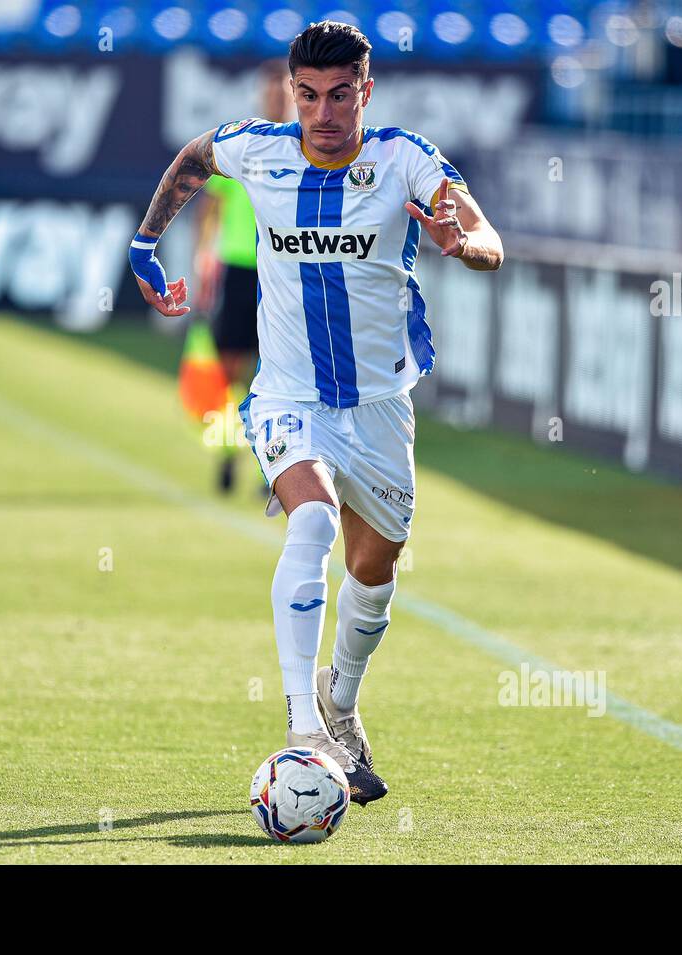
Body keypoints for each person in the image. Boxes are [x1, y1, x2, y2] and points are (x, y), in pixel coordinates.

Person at [128, 22, 503, 804]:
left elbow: (486, 235)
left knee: (377, 569)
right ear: (291, 90)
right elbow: (193, 159)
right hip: (288, 395)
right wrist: (143, 245)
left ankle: (342, 697)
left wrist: (461, 245)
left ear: (366, 91)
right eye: (308, 94)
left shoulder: (404, 157)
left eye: (339, 95)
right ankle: (304, 727)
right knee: (313, 522)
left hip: (379, 406)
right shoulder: (258, 147)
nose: (322, 111)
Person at [192, 60, 292, 493]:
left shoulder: (304, 148)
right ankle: (228, 452)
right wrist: (202, 261)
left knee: (278, 373)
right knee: (230, 374)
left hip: (283, 273)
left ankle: (274, 468)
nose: (275, 98)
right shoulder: (244, 146)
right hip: (238, 270)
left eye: (282, 91)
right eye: (269, 91)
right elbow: (210, 207)